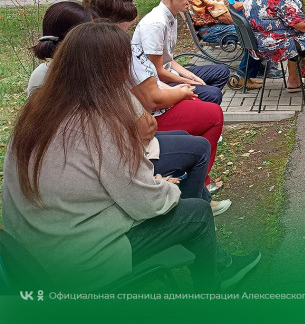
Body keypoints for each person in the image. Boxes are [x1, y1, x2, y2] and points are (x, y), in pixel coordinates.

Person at [2, 21, 260, 292]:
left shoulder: (35, 112)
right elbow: (145, 202)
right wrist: (166, 190)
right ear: (111, 71)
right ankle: (213, 289)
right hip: (74, 262)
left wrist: (150, 185)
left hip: (29, 253)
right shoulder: (96, 121)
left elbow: (90, 180)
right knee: (196, 213)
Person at [26, 0, 214, 203]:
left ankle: (191, 202)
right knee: (200, 142)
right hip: (112, 160)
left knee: (185, 136)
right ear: (79, 41)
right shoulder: (88, 80)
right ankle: (190, 209)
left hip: (104, 156)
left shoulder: (43, 75)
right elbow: (144, 127)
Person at [84, 0, 230, 214]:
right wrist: (182, 90)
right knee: (211, 113)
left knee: (206, 99)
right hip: (135, 128)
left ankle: (196, 191)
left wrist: (185, 79)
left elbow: (158, 69)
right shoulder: (128, 40)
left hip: (131, 124)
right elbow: (152, 95)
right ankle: (197, 198)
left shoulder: (96, 43)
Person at [132, 0, 230, 105]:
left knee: (221, 72)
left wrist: (192, 77)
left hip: (168, 73)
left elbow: (168, 59)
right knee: (213, 94)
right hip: (157, 83)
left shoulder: (171, 16)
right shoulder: (156, 23)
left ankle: (197, 109)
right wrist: (188, 82)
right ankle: (192, 108)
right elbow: (156, 71)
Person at [188, 0, 263, 90]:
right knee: (256, 34)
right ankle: (242, 77)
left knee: (253, 30)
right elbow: (222, 15)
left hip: (210, 27)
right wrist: (244, 25)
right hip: (211, 30)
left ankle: (246, 76)